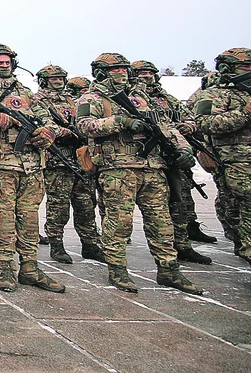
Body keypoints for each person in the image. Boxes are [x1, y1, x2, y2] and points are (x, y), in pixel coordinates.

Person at [75, 53, 201, 294]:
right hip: (118, 170)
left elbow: (165, 126)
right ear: (101, 72)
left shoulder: (141, 96)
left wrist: (184, 149)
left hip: (153, 168)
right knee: (119, 223)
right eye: (115, 70)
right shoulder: (92, 98)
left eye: (124, 69)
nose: (121, 73)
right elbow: (83, 126)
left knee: (162, 223)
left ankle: (169, 270)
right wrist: (120, 122)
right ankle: (118, 271)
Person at [0, 44, 66, 293]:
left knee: (30, 218)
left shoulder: (27, 93)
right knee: (5, 218)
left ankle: (30, 267)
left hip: (31, 166)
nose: (4, 64)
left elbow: (50, 120)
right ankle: (6, 268)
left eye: (7, 61)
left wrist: (48, 132)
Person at [130, 59, 212, 264]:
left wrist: (187, 130)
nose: (146, 76)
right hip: (141, 160)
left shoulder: (165, 98)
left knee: (179, 202)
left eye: (150, 73)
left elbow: (189, 118)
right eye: (141, 73)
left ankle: (182, 245)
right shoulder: (131, 98)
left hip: (171, 157)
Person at [33, 64, 105, 264]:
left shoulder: (74, 100)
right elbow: (44, 124)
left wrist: (81, 132)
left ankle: (90, 244)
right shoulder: (37, 100)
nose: (57, 81)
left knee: (86, 204)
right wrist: (67, 132)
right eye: (53, 79)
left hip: (80, 159)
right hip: (57, 160)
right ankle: (57, 244)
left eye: (60, 78)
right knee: (59, 205)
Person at [191, 48, 251, 267]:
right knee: (244, 202)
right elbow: (203, 123)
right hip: (235, 159)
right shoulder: (215, 94)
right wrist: (245, 113)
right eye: (246, 66)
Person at [188, 71, 239, 244]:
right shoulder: (208, 94)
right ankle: (233, 229)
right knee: (229, 193)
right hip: (220, 153)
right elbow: (200, 121)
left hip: (237, 153)